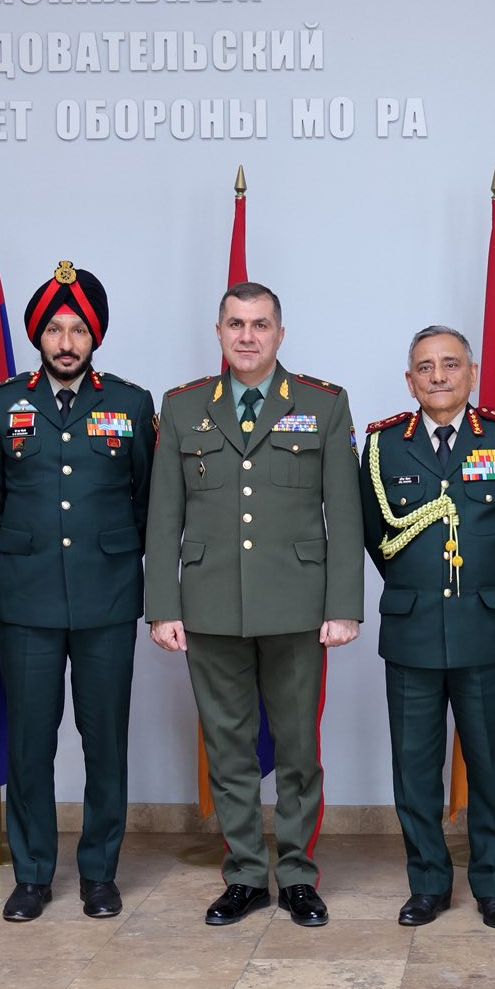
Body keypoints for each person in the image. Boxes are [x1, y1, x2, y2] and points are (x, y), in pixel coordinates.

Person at [146, 281, 362, 928]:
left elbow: (344, 515)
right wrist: (163, 605)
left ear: (280, 333)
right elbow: (164, 516)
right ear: (219, 332)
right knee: (228, 748)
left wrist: (343, 605)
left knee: (298, 749)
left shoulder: (322, 404)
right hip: (210, 605)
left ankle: (296, 875)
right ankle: (243, 874)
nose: (247, 335)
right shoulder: (182, 407)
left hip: (298, 607)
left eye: (260, 324)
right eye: (236, 324)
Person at [0, 262, 153, 922]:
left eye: (78, 329)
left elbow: (147, 499)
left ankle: (99, 873)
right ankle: (32, 874)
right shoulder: (0, 405)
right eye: (55, 329)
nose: (67, 342)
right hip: (27, 599)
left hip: (107, 597)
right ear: (37, 337)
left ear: (95, 335)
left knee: (105, 742)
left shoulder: (131, 403)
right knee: (29, 743)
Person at [360, 325, 495, 930]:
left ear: (473, 372)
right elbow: (377, 536)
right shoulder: (384, 445)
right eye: (425, 367)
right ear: (409, 380)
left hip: (487, 628)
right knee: (415, 769)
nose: (438, 376)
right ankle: (428, 884)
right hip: (412, 630)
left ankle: (493, 885)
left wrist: (490, 589)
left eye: (450, 364)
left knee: (490, 766)